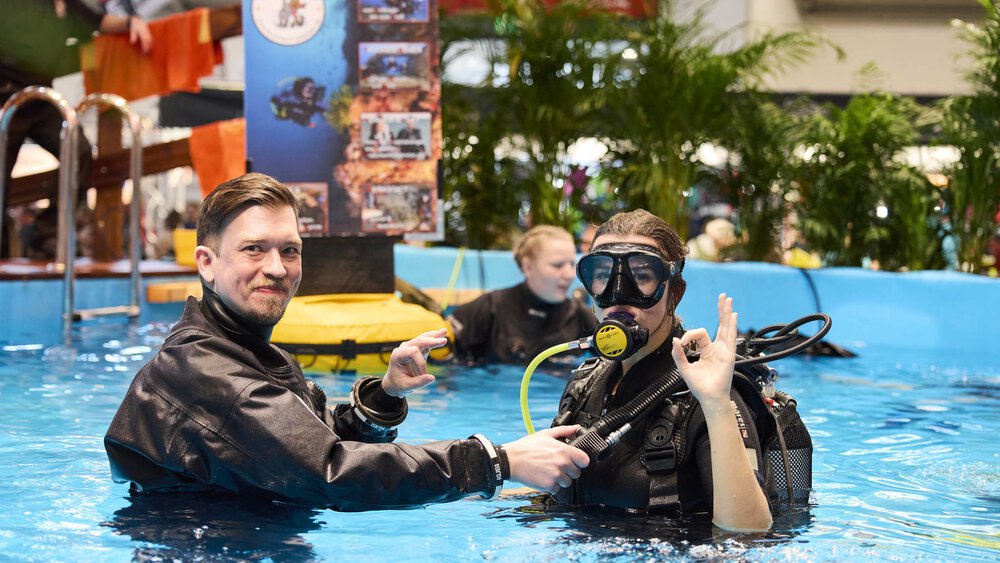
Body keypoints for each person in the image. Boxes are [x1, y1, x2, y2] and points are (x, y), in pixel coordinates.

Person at [104, 173, 588, 509]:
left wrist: (384, 395)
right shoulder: (204, 370)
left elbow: (303, 443)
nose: (276, 267)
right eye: (254, 248)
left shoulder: (248, 350)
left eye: (289, 250)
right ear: (207, 263)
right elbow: (330, 472)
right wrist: (498, 462)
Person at [551, 209, 773, 532]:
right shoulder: (584, 383)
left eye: (642, 276)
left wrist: (716, 405)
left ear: (675, 292)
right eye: (602, 275)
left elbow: (750, 533)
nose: (618, 294)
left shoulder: (705, 390)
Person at [1, 0, 151, 258]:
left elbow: (100, 23)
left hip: (41, 100)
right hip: (6, 97)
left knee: (79, 151)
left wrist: (131, 21)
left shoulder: (68, 6)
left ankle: (46, 234)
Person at [448, 225, 597, 365]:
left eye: (571, 264)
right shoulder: (488, 309)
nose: (570, 274)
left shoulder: (581, 319)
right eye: (557, 265)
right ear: (528, 267)